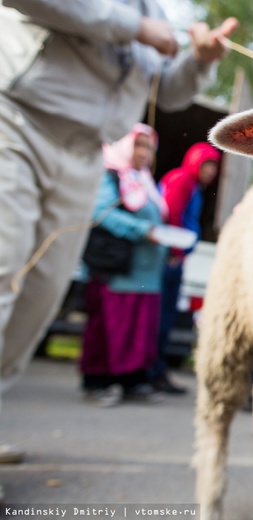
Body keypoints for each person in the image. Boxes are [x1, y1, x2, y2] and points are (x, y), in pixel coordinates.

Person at [0, 0, 235, 472]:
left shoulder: (156, 13)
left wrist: (200, 61)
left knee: (39, 297)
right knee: (5, 270)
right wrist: (134, 25)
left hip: (89, 149)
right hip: (18, 119)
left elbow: (166, 92)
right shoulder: (141, 18)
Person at [79, 123, 169, 407]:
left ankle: (132, 380)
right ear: (126, 145)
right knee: (111, 326)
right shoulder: (112, 175)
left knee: (138, 328)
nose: (145, 152)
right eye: (139, 145)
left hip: (145, 272)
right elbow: (100, 213)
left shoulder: (142, 179)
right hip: (119, 269)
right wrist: (142, 230)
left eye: (149, 147)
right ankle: (98, 381)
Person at [151, 142, 220, 394]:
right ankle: (153, 371)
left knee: (166, 317)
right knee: (162, 317)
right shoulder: (182, 181)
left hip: (176, 257)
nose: (211, 171)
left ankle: (157, 370)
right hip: (171, 259)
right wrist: (176, 251)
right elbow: (172, 215)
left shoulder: (192, 186)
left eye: (214, 166)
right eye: (206, 165)